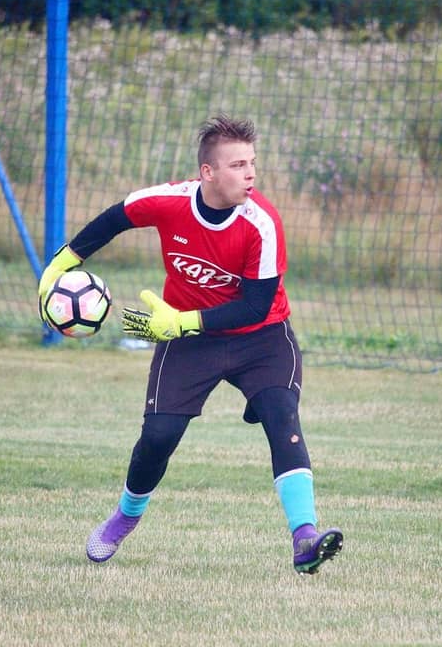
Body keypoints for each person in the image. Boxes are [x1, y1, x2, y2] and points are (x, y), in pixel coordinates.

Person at [37, 114, 343, 574]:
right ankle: (124, 517)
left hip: (261, 339)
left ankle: (304, 538)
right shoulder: (170, 202)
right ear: (208, 172)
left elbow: (255, 307)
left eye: (252, 163)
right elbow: (114, 219)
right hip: (188, 342)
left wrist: (180, 322)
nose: (251, 174)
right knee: (158, 437)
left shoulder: (262, 223)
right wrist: (60, 264)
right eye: (238, 165)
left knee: (282, 417)